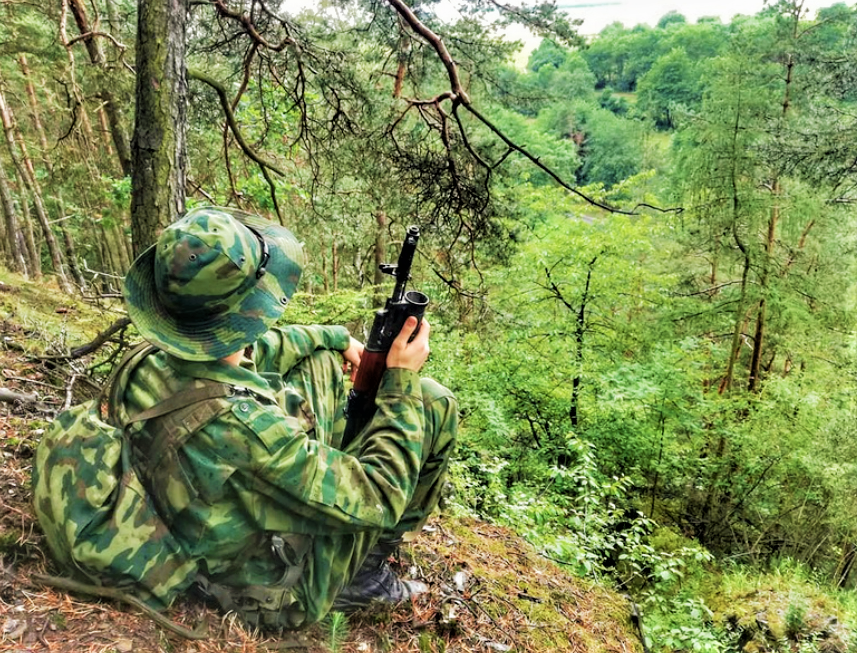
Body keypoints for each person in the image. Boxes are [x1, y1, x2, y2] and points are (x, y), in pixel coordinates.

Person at [119, 205, 458, 628]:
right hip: (270, 586)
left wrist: (334, 338)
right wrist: (402, 380)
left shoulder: (151, 357)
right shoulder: (250, 430)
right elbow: (380, 496)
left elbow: (254, 349)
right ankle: (360, 580)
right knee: (434, 404)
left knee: (319, 362)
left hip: (208, 515)